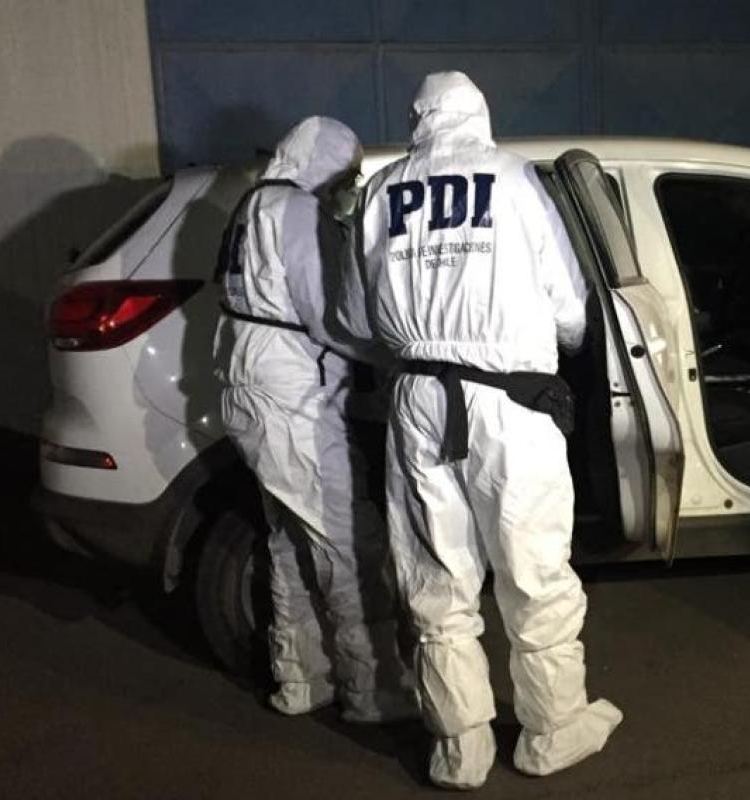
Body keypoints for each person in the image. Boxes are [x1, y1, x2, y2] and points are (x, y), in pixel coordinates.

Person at [339, 72, 621, 788]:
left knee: (436, 578)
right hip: (510, 402)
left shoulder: (380, 191)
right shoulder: (514, 179)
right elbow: (570, 307)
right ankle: (553, 729)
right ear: (479, 115)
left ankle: (459, 747)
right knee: (533, 570)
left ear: (418, 119)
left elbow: (355, 318)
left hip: (418, 401)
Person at [214, 116, 415, 723]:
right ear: (321, 161)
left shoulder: (252, 205)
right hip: (290, 397)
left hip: (252, 387)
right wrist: (395, 355)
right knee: (347, 541)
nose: (346, 186)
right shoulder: (296, 210)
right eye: (345, 173)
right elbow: (329, 316)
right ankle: (374, 693)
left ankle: (303, 680)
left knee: (290, 543)